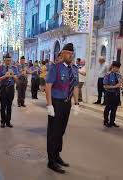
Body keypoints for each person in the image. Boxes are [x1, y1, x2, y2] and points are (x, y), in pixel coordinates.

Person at [45, 43, 79, 174]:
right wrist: (49, 105)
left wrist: (76, 103)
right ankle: (51, 161)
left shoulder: (74, 69)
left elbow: (75, 87)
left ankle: (57, 155)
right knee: (53, 133)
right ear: (62, 54)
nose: (70, 55)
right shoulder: (56, 68)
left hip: (66, 103)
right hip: (56, 103)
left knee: (61, 132)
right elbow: (48, 86)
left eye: (72, 53)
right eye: (68, 53)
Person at [0, 54, 19, 128]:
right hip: (3, 88)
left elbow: (17, 81)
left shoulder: (14, 68)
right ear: (4, 60)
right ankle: (3, 121)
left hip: (11, 88)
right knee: (3, 106)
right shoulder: (1, 68)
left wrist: (13, 75)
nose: (8, 62)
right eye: (7, 60)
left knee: (9, 106)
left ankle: (8, 121)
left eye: (9, 60)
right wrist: (4, 76)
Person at [103, 61, 123, 127]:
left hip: (116, 94)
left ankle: (112, 121)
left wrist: (122, 82)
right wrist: (115, 86)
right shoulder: (107, 75)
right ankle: (106, 121)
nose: (117, 69)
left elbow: (121, 82)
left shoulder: (118, 75)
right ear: (113, 67)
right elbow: (105, 86)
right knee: (108, 108)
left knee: (114, 108)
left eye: (118, 68)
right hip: (109, 93)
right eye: (116, 68)